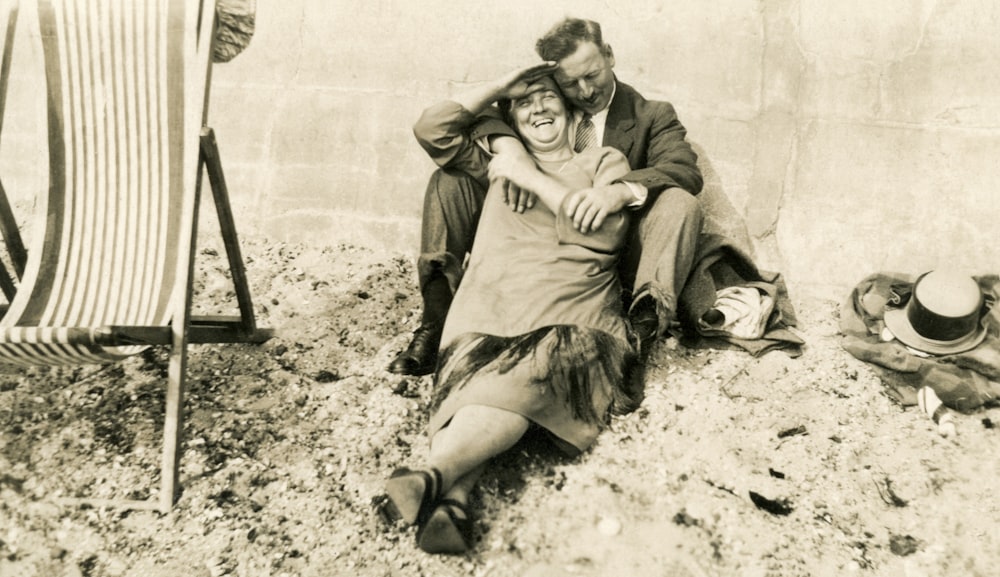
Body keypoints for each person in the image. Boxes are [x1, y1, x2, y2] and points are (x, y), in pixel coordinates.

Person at [383, 68, 637, 554]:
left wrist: (530, 178)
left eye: (547, 99)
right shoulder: (494, 162)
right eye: (525, 103)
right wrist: (503, 89)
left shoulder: (604, 160)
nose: (539, 108)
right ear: (512, 122)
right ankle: (448, 498)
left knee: (522, 372)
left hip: (571, 311)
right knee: (483, 373)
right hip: (492, 309)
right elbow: (433, 128)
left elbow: (605, 234)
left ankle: (435, 478)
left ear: (570, 111)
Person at [388, 16, 703, 379]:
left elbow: (683, 169)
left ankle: (641, 338)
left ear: (609, 55)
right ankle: (435, 322)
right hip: (533, 253)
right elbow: (443, 127)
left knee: (681, 202)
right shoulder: (536, 120)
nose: (585, 91)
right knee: (449, 181)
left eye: (593, 75)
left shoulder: (650, 115)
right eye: (570, 83)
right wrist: (511, 145)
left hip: (609, 248)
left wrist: (617, 192)